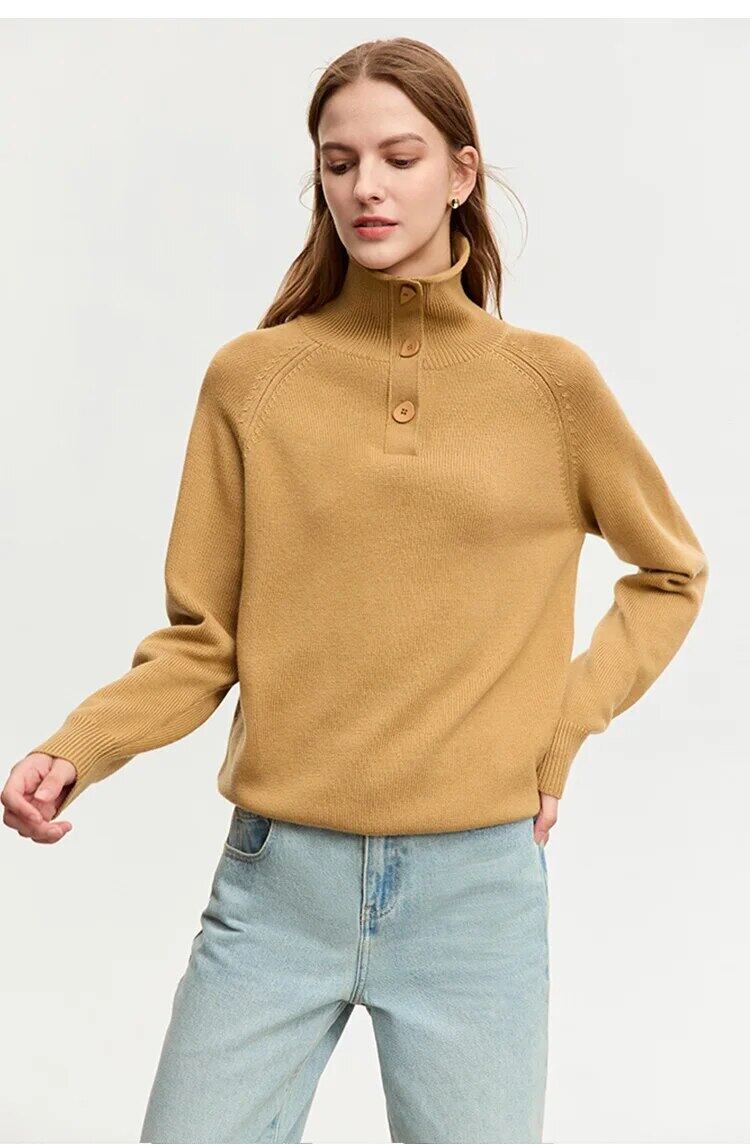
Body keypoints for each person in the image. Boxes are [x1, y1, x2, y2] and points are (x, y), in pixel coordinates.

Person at [4, 37, 708, 1144]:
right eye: (339, 164)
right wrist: (77, 748)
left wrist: (561, 725)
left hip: (476, 894)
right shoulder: (253, 380)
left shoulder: (551, 387)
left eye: (399, 157)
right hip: (277, 882)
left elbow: (671, 571)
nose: (366, 187)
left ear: (461, 174)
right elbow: (203, 639)